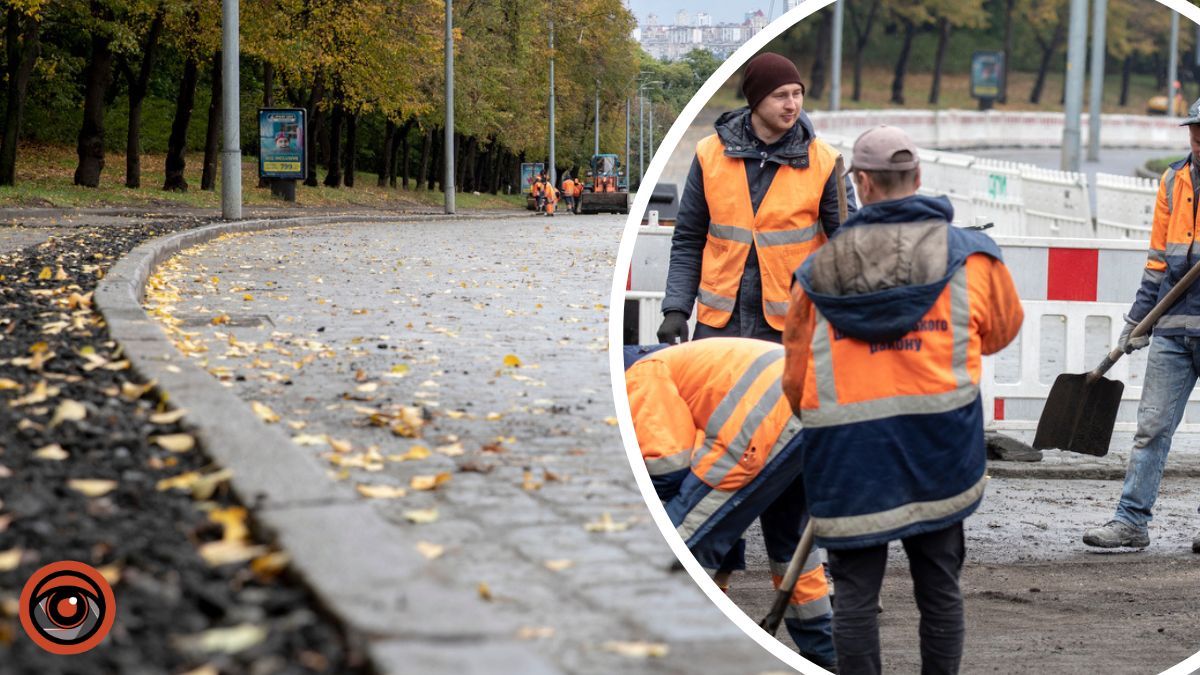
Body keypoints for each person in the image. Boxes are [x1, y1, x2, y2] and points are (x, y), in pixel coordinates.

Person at [781, 125, 1023, 674]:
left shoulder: (814, 273)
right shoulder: (972, 258)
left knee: (856, 600)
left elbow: (795, 383)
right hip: (940, 454)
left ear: (861, 183)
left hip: (849, 460)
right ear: (917, 178)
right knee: (940, 589)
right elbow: (1002, 330)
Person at [624, 338, 835, 669]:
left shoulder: (638, 374)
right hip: (810, 410)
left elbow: (668, 467)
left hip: (766, 419)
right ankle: (829, 655)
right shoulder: (681, 362)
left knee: (683, 539)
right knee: (793, 549)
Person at [657, 51, 856, 345]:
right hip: (719, 326)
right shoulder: (709, 154)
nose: (792, 105)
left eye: (797, 94)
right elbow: (688, 238)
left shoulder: (826, 162)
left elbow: (848, 247)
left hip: (793, 327)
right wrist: (676, 309)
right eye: (780, 96)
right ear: (756, 100)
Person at [1083, 98, 1200, 552]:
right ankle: (1131, 521)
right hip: (1171, 326)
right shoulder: (1174, 180)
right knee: (1151, 428)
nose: (1197, 137)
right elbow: (1157, 260)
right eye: (1194, 128)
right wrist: (1137, 319)